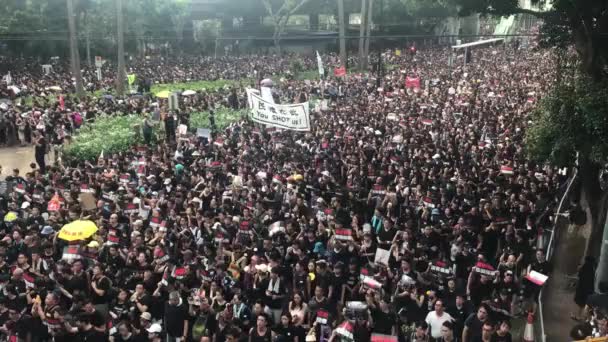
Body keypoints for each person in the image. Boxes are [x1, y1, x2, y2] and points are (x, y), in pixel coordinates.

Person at [573, 256, 596, 321]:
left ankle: (580, 317)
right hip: (589, 290)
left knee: (581, 304)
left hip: (582, 289)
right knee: (585, 304)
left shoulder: (585, 267)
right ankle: (585, 318)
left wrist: (579, 269)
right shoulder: (592, 269)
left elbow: (580, 275)